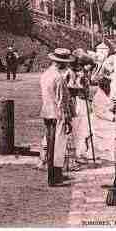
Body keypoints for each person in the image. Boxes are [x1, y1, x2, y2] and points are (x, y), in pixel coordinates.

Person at [39, 48, 75, 186]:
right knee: (58, 145)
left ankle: (54, 174)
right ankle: (54, 176)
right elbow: (62, 100)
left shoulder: (45, 74)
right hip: (57, 113)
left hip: (47, 111)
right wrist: (67, 118)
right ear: (60, 63)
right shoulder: (58, 78)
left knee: (50, 143)